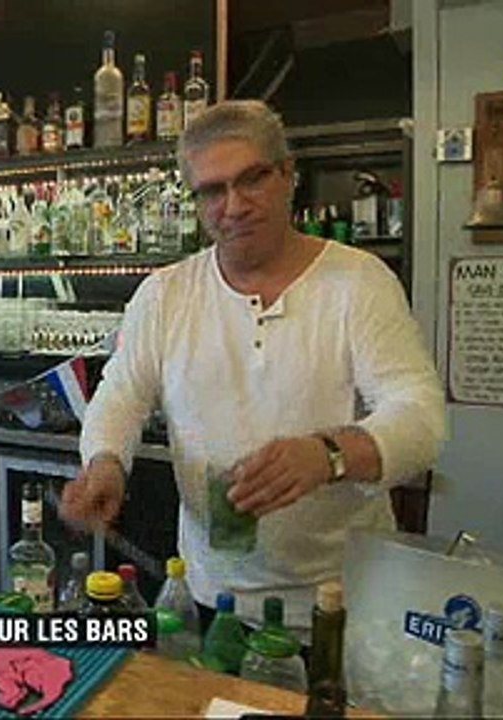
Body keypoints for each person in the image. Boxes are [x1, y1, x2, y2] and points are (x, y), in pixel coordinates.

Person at [61, 100, 446, 636]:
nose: (234, 205)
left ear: (289, 176)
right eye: (212, 191)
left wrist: (328, 454)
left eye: (252, 179)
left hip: (340, 605)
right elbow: (121, 393)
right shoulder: (166, 293)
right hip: (206, 594)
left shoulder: (358, 283)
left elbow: (422, 418)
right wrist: (105, 461)